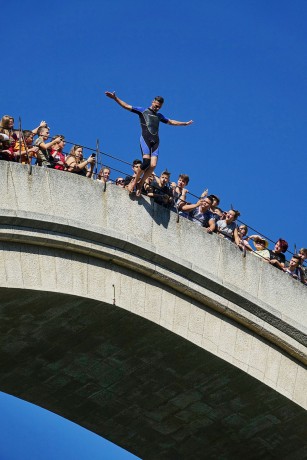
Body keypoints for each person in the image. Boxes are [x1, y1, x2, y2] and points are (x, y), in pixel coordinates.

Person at [105, 91, 193, 195]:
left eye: (159, 107)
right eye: (156, 105)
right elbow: (126, 106)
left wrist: (184, 124)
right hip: (145, 138)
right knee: (146, 162)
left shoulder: (159, 116)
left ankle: (141, 183)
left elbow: (171, 121)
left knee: (153, 165)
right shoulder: (143, 111)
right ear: (153, 102)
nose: (157, 108)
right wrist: (115, 98)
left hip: (155, 141)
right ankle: (134, 182)